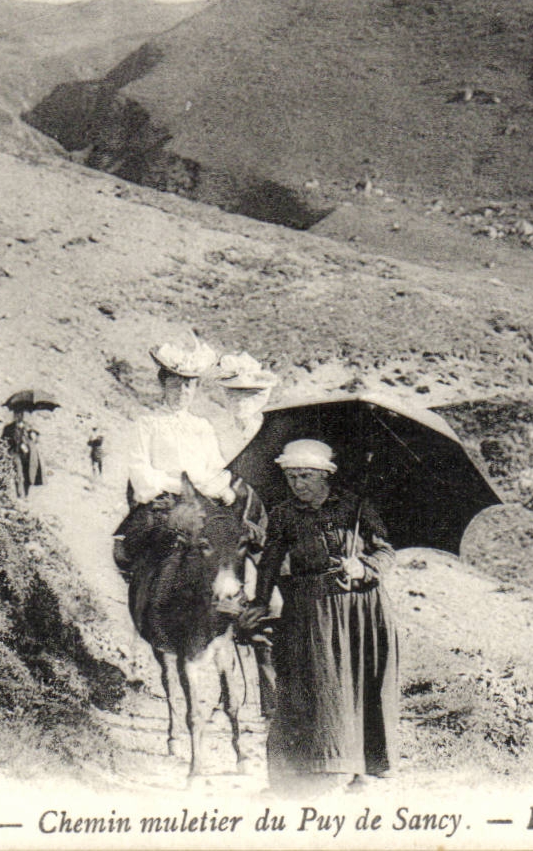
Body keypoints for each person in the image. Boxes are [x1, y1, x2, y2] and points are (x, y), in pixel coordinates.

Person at [241, 439, 399, 793]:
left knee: (358, 685)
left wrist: (363, 566)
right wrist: (259, 601)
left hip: (360, 609)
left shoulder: (356, 508)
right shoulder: (283, 514)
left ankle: (362, 769)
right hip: (309, 610)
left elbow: (385, 550)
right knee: (316, 685)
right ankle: (307, 768)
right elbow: (268, 562)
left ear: (326, 476)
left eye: (306, 476)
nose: (298, 484)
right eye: (292, 477)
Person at [112, 336, 238, 578]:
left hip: (204, 502)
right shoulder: (148, 424)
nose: (182, 392)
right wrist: (177, 487)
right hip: (165, 503)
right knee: (162, 549)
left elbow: (217, 468)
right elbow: (140, 471)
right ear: (163, 385)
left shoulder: (203, 426)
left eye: (188, 386)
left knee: (233, 546)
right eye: (175, 384)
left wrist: (218, 488)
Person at [215, 351, 281, 716]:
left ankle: (274, 711)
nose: (243, 402)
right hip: (227, 541)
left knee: (267, 615)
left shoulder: (275, 438)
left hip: (266, 542)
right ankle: (224, 702)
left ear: (265, 397)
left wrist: (257, 530)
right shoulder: (218, 439)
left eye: (253, 395)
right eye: (236, 394)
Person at [0, 407, 44, 499]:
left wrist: (33, 436)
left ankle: (26, 495)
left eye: (21, 414)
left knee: (28, 475)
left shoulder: (27, 427)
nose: (19, 416)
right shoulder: (9, 428)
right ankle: (20, 496)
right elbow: (3, 442)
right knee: (19, 475)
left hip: (27, 455)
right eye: (17, 414)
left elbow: (35, 439)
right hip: (15, 453)